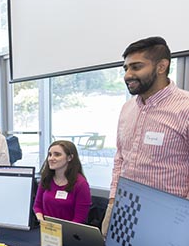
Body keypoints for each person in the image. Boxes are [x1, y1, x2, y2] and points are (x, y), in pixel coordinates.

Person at [102, 36, 189, 235]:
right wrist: (113, 201)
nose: (127, 75)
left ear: (161, 66)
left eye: (136, 67)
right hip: (125, 210)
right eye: (125, 68)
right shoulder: (127, 109)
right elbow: (120, 158)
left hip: (170, 219)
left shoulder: (185, 108)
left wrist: (183, 219)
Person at [33, 140, 91, 223]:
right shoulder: (46, 178)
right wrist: (41, 220)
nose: (51, 158)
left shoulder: (81, 184)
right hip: (46, 230)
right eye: (50, 155)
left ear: (70, 157)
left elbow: (79, 219)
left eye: (57, 155)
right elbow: (37, 206)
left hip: (69, 232)